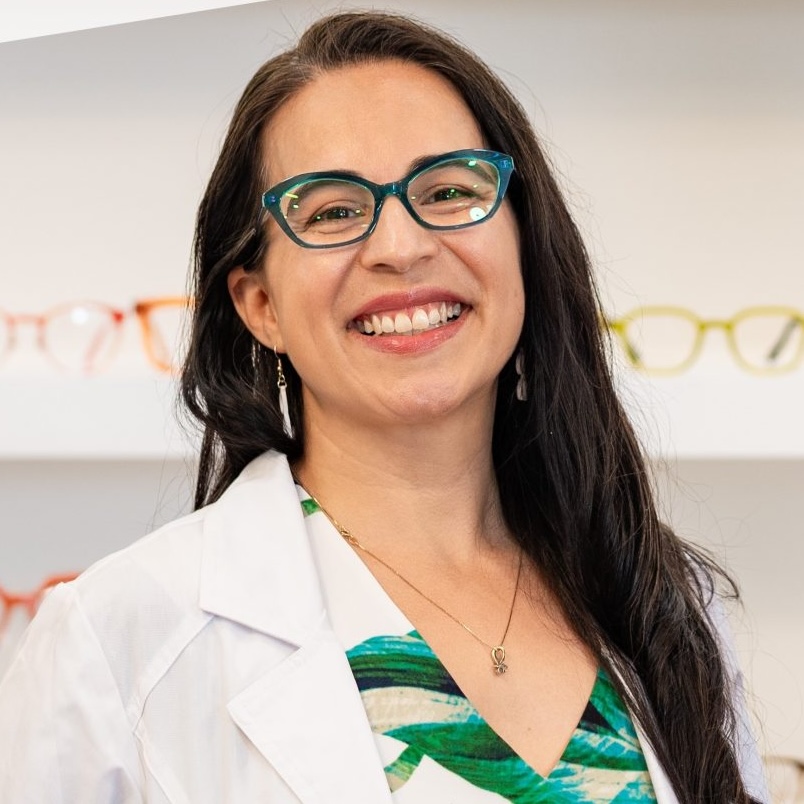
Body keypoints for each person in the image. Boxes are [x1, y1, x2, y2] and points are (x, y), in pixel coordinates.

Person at [0, 10, 768, 803]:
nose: (401, 247)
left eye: (449, 191)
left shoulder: (661, 602)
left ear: (525, 249)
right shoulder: (117, 640)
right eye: (332, 210)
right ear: (260, 304)